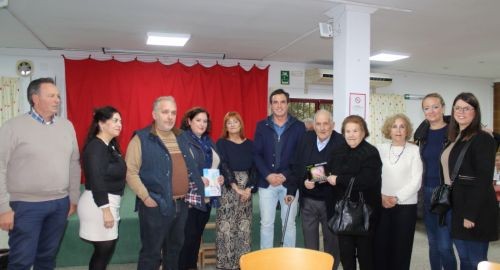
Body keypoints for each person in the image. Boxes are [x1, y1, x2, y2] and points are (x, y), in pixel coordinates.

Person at [0, 77, 81, 269]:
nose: (57, 100)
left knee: (47, 258)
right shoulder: (13, 127)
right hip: (25, 206)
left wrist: (74, 197)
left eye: (58, 96)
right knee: (21, 260)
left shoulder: (66, 126)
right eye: (51, 95)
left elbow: (74, 163)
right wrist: (3, 208)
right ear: (35, 98)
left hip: (60, 204)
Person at [125, 96, 205, 270]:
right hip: (155, 206)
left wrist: (199, 183)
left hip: (181, 205)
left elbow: (189, 167)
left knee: (174, 252)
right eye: (165, 112)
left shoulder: (181, 137)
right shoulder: (141, 138)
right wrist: (146, 198)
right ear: (154, 114)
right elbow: (130, 172)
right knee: (151, 254)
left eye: (173, 112)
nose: (170, 117)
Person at [441, 92, 497, 270]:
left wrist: (470, 214)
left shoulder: (482, 139)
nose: (461, 112)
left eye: (467, 108)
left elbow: (483, 179)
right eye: (457, 108)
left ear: (476, 111)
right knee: (465, 259)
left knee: (476, 261)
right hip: (457, 206)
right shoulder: (456, 137)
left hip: (475, 210)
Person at [326, 115, 382, 270]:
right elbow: (327, 170)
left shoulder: (371, 153)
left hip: (366, 214)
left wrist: (338, 179)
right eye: (347, 131)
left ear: (363, 132)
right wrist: (311, 177)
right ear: (343, 133)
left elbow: (366, 181)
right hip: (343, 213)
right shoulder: (337, 151)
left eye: (355, 131)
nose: (351, 135)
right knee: (346, 257)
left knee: (366, 258)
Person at [290, 109, 343, 270]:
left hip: (331, 202)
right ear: (313, 125)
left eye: (326, 123)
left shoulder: (341, 142)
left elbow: (341, 169)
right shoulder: (306, 138)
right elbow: (296, 165)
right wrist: (303, 181)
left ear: (332, 125)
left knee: (332, 243)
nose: (322, 127)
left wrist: (318, 176)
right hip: (308, 201)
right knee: (310, 242)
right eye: (318, 124)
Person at [253, 89, 305, 248]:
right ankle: (267, 262)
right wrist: (268, 175)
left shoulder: (299, 126)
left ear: (288, 104)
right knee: (266, 224)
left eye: (282, 102)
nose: (279, 105)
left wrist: (285, 175)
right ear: (271, 105)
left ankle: (288, 262)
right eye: (275, 102)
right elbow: (256, 154)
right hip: (266, 182)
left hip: (289, 183)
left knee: (288, 225)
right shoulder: (261, 126)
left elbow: (300, 155)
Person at [77, 106, 126, 269]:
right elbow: (96, 180)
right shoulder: (96, 147)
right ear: (101, 123)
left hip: (108, 202)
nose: (120, 124)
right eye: (115, 121)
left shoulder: (109, 145)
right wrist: (106, 210)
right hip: (98, 204)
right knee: (104, 250)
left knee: (104, 251)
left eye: (120, 121)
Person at [414, 93, 457, 270]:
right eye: (426, 108)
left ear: (443, 108)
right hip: (427, 192)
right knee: (432, 242)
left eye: (435, 106)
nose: (431, 111)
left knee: (445, 245)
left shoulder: (455, 131)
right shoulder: (422, 134)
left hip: (447, 192)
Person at [374, 114, 422, 270]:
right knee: (380, 246)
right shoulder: (379, 149)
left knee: (402, 247)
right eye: (394, 126)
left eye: (402, 126)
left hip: (405, 206)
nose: (398, 130)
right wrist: (381, 196)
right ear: (389, 129)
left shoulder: (414, 150)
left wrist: (396, 198)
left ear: (407, 130)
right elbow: (373, 176)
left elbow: (416, 180)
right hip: (382, 204)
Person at [178, 107, 224, 270]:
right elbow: (180, 167)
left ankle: (192, 266)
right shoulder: (182, 139)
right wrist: (196, 178)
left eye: (205, 121)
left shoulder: (209, 141)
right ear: (189, 121)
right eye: (198, 120)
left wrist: (220, 177)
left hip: (207, 197)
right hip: (190, 197)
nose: (202, 124)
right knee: (187, 239)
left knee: (196, 237)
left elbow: (217, 164)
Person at [215, 111, 255, 270]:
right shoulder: (221, 143)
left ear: (241, 124)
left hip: (246, 190)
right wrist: (235, 187)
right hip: (228, 189)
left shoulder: (250, 144)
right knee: (226, 226)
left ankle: (241, 264)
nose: (232, 125)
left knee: (244, 227)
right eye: (228, 122)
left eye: (235, 121)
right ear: (225, 126)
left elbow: (255, 168)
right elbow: (223, 165)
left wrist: (249, 189)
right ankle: (225, 264)